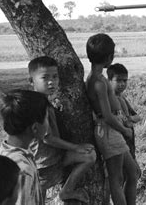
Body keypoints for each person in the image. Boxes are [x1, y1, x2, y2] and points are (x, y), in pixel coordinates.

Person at [28, 56, 96, 203]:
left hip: (52, 160)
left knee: (89, 155)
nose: (51, 82)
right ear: (31, 81)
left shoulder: (44, 101)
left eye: (55, 76)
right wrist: (76, 147)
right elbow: (48, 138)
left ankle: (66, 191)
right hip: (44, 166)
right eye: (45, 78)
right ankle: (66, 191)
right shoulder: (38, 106)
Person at [85, 33, 138, 205]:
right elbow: (107, 116)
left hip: (113, 130)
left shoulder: (97, 78)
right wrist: (124, 130)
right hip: (109, 131)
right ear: (110, 57)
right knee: (116, 179)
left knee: (133, 172)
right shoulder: (98, 82)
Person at [0, 89, 49, 205]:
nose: (48, 123)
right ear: (35, 128)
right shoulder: (24, 171)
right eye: (47, 119)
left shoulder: (6, 150)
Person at [107, 63, 142, 175]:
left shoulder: (122, 98)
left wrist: (128, 118)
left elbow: (137, 117)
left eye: (125, 81)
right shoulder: (109, 100)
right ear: (109, 81)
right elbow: (123, 122)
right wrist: (127, 122)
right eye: (118, 81)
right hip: (120, 142)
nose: (122, 84)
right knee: (129, 174)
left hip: (129, 143)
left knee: (133, 174)